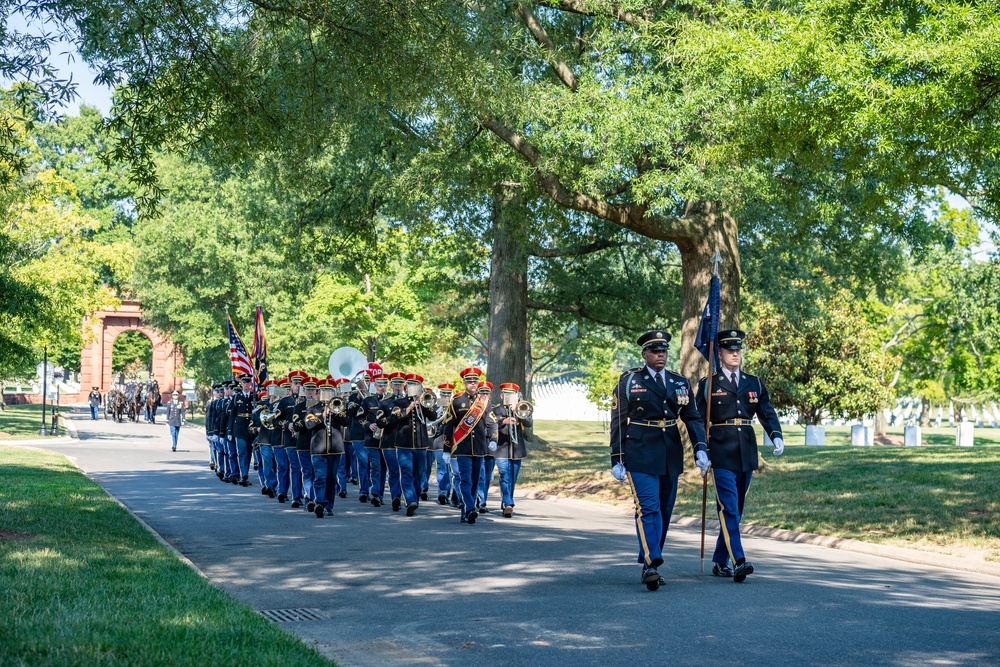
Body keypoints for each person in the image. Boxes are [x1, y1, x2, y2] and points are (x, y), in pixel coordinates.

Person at [610, 329, 708, 591]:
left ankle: (649, 560)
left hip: (669, 450)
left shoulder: (679, 382)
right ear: (644, 354)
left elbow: (692, 417)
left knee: (664, 510)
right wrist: (616, 458)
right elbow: (618, 421)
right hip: (639, 450)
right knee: (648, 507)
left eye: (663, 350)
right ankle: (652, 563)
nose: (660, 355)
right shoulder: (629, 381)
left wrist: (701, 448)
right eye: (655, 351)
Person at [696, 329, 784, 583]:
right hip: (721, 450)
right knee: (729, 507)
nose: (736, 354)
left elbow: (765, 411)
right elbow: (700, 421)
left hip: (746, 450)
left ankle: (719, 560)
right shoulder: (708, 384)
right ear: (720, 354)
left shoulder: (752, 382)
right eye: (730, 350)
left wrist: (775, 434)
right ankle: (739, 560)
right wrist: (701, 450)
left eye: (738, 350)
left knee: (737, 508)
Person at [441, 367, 498, 525]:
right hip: (463, 448)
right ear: (464, 383)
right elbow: (448, 426)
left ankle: (466, 511)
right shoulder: (457, 402)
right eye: (469, 381)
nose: (472, 383)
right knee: (465, 480)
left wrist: (493, 440)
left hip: (479, 449)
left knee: (474, 480)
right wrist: (446, 450)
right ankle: (470, 508)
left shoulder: (484, 403)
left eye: (475, 381)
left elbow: (492, 423)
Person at [304, 378, 351, 518]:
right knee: (320, 476)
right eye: (324, 391)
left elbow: (347, 421)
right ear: (318, 394)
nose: (326, 394)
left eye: (329, 391)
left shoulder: (339, 407)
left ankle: (329, 505)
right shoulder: (312, 408)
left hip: (335, 448)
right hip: (318, 449)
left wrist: (335, 412)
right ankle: (320, 502)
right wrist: (323, 415)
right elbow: (308, 425)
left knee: (331, 478)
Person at [492, 383, 533, 518]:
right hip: (501, 449)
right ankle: (509, 502)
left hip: (516, 450)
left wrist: (518, 412)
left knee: (512, 479)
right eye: (506, 394)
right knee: (504, 475)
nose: (509, 397)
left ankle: (506, 504)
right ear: (501, 395)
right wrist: (503, 422)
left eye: (512, 394)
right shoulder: (496, 410)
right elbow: (490, 425)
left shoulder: (520, 408)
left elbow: (529, 424)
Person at [227, 373, 258, 487]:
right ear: (241, 384)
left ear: (250, 384)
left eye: (247, 382)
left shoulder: (255, 396)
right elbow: (232, 415)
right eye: (244, 382)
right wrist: (229, 431)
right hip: (239, 427)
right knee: (242, 451)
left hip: (250, 426)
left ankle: (245, 474)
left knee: (249, 451)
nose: (246, 384)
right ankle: (243, 475)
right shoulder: (236, 397)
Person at [429, 383, 454, 505]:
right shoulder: (434, 407)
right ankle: (442, 493)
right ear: (440, 394)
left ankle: (453, 494)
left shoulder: (454, 407)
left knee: (452, 471)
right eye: (443, 394)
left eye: (448, 394)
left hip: (453, 442)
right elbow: (430, 424)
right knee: (441, 468)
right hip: (439, 442)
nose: (445, 396)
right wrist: (439, 411)